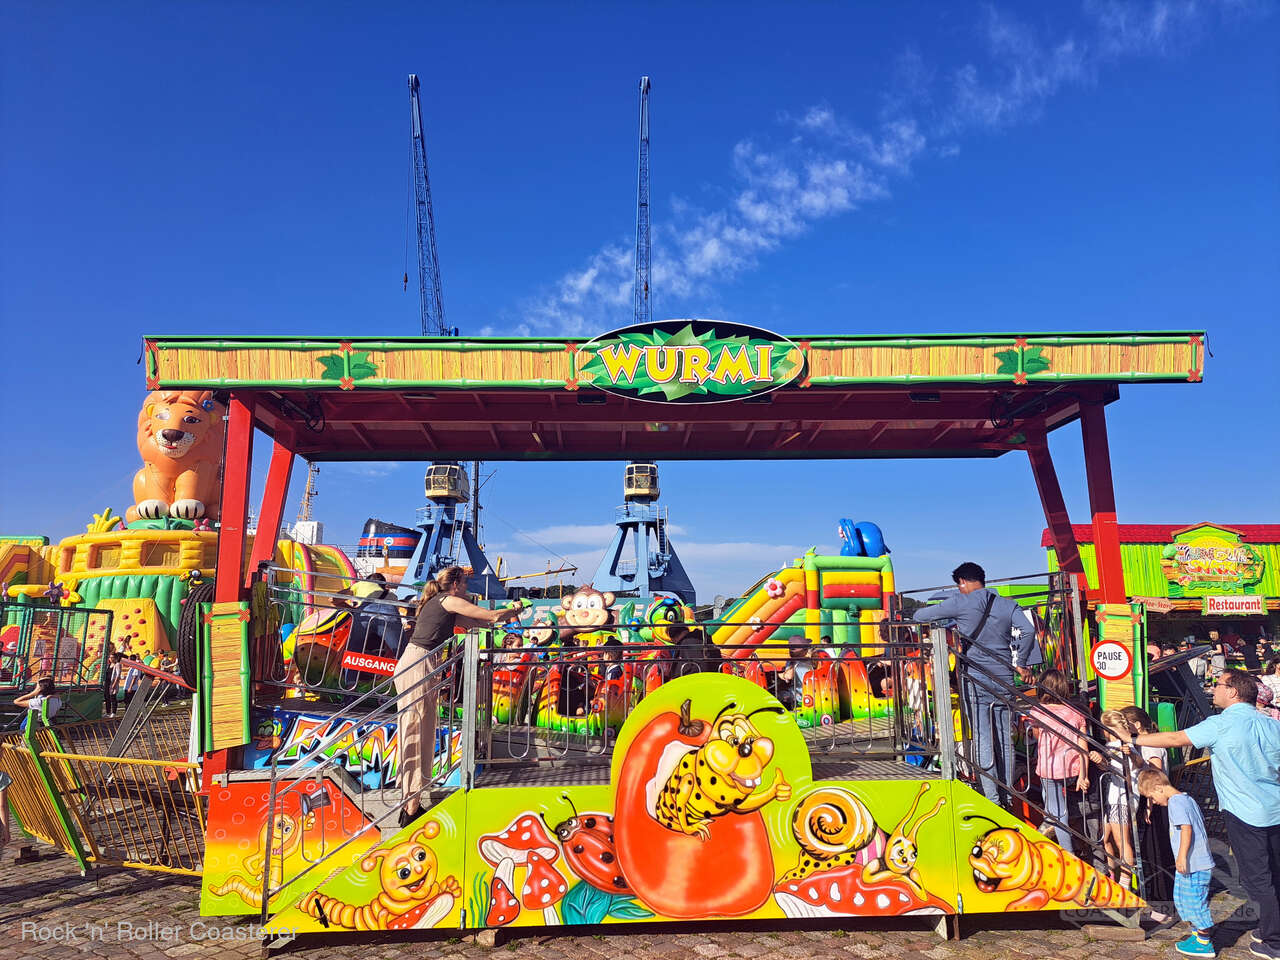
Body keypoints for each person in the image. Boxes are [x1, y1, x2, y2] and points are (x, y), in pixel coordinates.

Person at [1132, 670, 1280, 960]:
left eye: (1218, 684)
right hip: (1274, 808)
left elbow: (1175, 738)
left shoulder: (1221, 724)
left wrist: (1135, 737)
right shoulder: (1271, 724)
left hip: (1245, 813)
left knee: (1257, 879)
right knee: (1274, 872)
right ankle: (1269, 928)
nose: (1213, 689)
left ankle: (1274, 942)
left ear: (1233, 691)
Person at [394, 566, 523, 826]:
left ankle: (412, 802)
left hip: (423, 664)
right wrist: (515, 608)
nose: (466, 588)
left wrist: (507, 616)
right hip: (418, 664)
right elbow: (490, 615)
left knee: (423, 730)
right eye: (464, 583)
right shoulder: (448, 600)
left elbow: (481, 622)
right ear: (454, 584)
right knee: (415, 730)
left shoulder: (444, 605)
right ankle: (409, 807)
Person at [913, 561, 1039, 807]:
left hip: (974, 678)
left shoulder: (960, 602)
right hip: (1003, 677)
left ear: (962, 582)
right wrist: (1021, 662)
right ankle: (1007, 796)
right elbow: (1028, 631)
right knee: (1004, 738)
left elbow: (920, 616)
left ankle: (992, 798)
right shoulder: (1006, 604)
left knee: (982, 738)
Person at [1138, 768, 1217, 958]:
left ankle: (1204, 943)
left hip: (1193, 863)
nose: (1154, 802)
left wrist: (1181, 857)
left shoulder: (1175, 802)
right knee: (1184, 899)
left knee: (1195, 901)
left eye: (1152, 797)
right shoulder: (1187, 799)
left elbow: (1187, 829)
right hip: (1192, 863)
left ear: (1159, 787)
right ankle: (1197, 935)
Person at [1028, 669, 1089, 853]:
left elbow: (1036, 736)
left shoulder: (1038, 711)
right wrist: (1083, 775)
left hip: (1049, 768)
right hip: (1072, 768)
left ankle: (1067, 851)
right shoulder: (1076, 713)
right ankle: (1052, 823)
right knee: (1055, 805)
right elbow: (1083, 746)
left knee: (1058, 811)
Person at [105, 651, 123, 718]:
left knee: (113, 697)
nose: (111, 659)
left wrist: (114, 684)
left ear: (115, 658)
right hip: (107, 683)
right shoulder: (109, 665)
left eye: (112, 657)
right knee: (107, 697)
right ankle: (108, 712)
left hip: (113, 683)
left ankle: (113, 712)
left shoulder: (117, 664)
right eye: (110, 657)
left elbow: (118, 675)